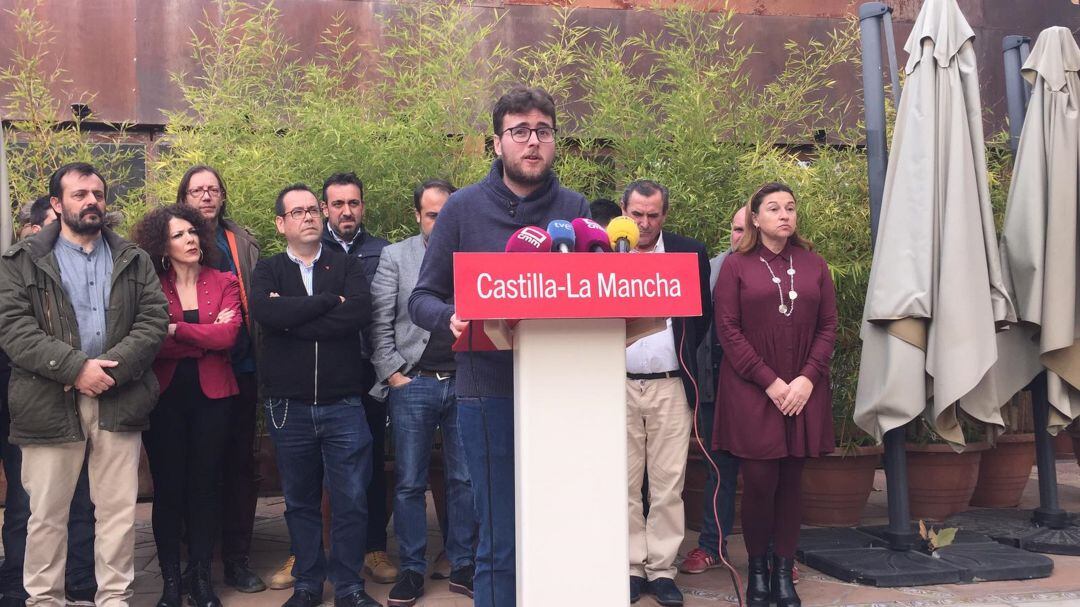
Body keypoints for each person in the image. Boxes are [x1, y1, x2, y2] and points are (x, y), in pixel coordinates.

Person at [409, 86, 590, 607]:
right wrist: (452, 316)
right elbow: (421, 298)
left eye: (544, 131)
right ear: (497, 143)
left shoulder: (575, 209)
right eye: (520, 131)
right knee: (498, 532)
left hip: (562, 389)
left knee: (556, 522)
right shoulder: (463, 208)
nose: (532, 142)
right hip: (485, 390)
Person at [0, 162, 169, 607]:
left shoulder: (133, 259)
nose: (91, 201)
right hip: (49, 399)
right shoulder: (22, 262)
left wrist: (110, 372)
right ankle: (45, 600)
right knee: (47, 515)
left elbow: (153, 321)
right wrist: (76, 368)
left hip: (119, 398)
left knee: (116, 513)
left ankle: (114, 598)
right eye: (79, 194)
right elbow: (14, 328)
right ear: (57, 205)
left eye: (97, 193)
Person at [251, 184, 381, 607]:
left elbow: (357, 315)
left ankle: (349, 586)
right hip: (289, 406)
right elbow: (267, 315)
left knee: (351, 499)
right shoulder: (268, 270)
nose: (308, 217)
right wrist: (327, 302)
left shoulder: (346, 264)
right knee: (301, 501)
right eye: (297, 212)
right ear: (281, 223)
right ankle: (308, 583)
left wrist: (294, 318)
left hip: (343, 402)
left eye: (312, 210)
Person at [712, 182, 836, 607]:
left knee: (791, 482)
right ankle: (758, 571)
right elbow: (727, 330)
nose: (784, 214)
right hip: (752, 389)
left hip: (804, 389)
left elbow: (828, 327)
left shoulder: (815, 264)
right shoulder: (736, 266)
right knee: (761, 482)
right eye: (773, 208)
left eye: (790, 207)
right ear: (756, 218)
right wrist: (770, 381)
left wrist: (806, 379)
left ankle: (784, 572)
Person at [370, 179, 476, 607]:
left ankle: (463, 562)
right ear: (417, 215)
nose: (440, 220)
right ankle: (412, 569)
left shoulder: (474, 255)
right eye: (432, 214)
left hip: (466, 380)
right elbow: (378, 323)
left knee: (464, 479)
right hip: (414, 381)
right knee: (410, 482)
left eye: (447, 213)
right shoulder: (396, 256)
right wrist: (393, 373)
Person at [131, 204, 242, 607]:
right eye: (178, 235)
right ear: (162, 244)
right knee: (169, 490)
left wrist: (178, 329)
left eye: (192, 232)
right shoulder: (151, 285)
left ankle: (201, 580)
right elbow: (151, 340)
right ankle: (171, 583)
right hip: (165, 399)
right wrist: (202, 335)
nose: (190, 239)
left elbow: (228, 336)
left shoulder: (225, 279)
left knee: (205, 488)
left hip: (214, 398)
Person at [0, 199, 97, 607]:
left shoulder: (79, 267)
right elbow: (19, 333)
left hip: (77, 391)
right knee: (28, 502)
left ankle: (79, 582)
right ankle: (19, 584)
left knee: (79, 498)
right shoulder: (17, 266)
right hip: (27, 398)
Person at [175, 165, 267, 593]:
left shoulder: (241, 240)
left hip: (242, 368)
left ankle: (236, 559)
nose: (206, 196)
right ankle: (191, 563)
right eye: (198, 190)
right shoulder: (169, 243)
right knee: (191, 466)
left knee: (238, 466)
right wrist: (204, 334)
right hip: (186, 375)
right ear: (184, 197)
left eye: (213, 189)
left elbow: (243, 318)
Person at [621, 180, 711, 607]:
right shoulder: (601, 251)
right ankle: (631, 567)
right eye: (636, 214)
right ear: (623, 212)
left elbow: (702, 317)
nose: (643, 223)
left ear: (664, 215)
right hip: (615, 382)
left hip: (671, 382)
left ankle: (661, 570)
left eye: (652, 215)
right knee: (622, 481)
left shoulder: (689, 252)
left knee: (668, 484)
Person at [317, 172, 396, 585]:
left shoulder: (383, 251)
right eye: (338, 204)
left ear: (362, 206)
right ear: (325, 207)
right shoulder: (310, 247)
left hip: (370, 370)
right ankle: (308, 553)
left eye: (354, 203)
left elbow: (379, 310)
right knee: (315, 466)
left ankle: (373, 548)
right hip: (324, 370)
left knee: (369, 459)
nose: (346, 211)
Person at [680, 206, 746, 574]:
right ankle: (710, 546)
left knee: (767, 474)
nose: (739, 237)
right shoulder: (715, 266)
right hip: (715, 386)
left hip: (762, 391)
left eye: (745, 229)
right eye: (734, 229)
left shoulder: (781, 270)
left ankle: (769, 553)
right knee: (717, 471)